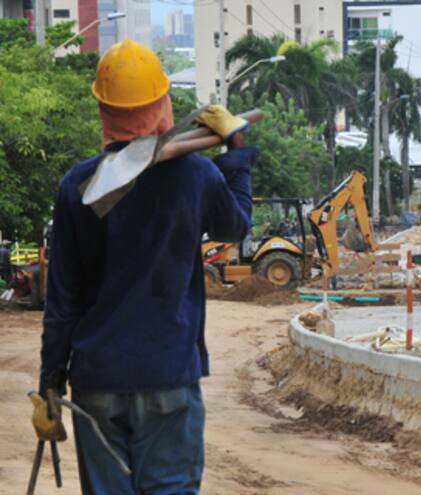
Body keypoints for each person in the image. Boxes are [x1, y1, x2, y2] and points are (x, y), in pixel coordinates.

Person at [31, 39, 257, 494]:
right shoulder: (197, 175)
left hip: (97, 379)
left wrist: (50, 382)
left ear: (103, 111)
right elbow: (235, 228)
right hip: (167, 374)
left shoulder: (78, 186)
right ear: (164, 104)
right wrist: (236, 153)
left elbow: (63, 300)